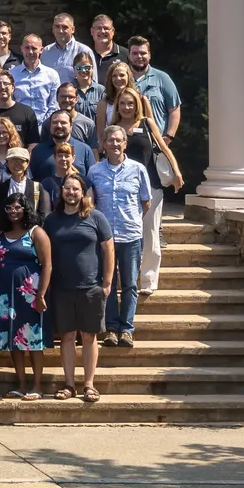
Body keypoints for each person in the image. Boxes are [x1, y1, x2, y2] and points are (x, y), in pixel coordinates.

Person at [42, 173, 114, 403]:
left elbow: (109, 250)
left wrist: (107, 283)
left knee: (89, 337)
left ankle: (89, 385)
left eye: (75, 189)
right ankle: (70, 384)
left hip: (91, 287)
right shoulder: (52, 219)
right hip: (62, 288)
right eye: (67, 188)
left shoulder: (96, 217)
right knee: (67, 337)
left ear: (83, 193)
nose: (71, 193)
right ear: (61, 191)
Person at [111, 86, 182, 296]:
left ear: (137, 105)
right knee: (123, 235)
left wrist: (177, 173)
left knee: (149, 233)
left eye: (130, 103)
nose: (126, 107)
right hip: (122, 188)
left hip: (150, 186)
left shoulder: (147, 123)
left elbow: (164, 147)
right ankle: (124, 278)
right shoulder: (113, 126)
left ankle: (148, 280)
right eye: (122, 103)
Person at [91, 124, 155, 348]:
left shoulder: (137, 169)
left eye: (119, 140)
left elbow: (145, 202)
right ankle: (110, 328)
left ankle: (126, 329)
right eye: (111, 141)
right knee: (107, 283)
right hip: (105, 238)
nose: (115, 144)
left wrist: (132, 218)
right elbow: (91, 203)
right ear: (104, 144)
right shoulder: (95, 171)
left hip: (130, 235)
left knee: (129, 284)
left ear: (125, 144)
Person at [0, 191, 53, 400]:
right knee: (14, 340)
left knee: (32, 340)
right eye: (9, 208)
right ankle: (21, 383)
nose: (13, 212)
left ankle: (36, 386)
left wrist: (42, 294)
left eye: (18, 207)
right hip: (6, 296)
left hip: (30, 295)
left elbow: (47, 265)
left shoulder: (36, 232)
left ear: (25, 208)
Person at [126, 35, 183, 140]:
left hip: (156, 141)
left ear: (149, 55)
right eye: (135, 53)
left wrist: (169, 136)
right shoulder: (121, 78)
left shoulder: (162, 78)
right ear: (129, 55)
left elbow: (174, 109)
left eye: (143, 53)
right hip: (127, 142)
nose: (139, 56)